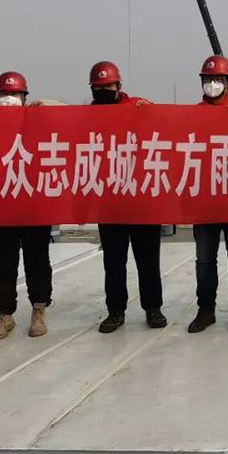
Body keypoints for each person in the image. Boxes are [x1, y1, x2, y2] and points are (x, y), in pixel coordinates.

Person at [89, 61, 166, 333]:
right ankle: (116, 311)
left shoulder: (136, 107)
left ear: (118, 86)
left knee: (148, 259)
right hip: (110, 202)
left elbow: (166, 125)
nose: (103, 90)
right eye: (98, 87)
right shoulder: (86, 117)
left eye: (108, 86)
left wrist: (150, 112)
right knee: (114, 261)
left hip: (141, 199)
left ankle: (153, 308)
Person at [0, 72, 53, 340]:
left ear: (25, 98)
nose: (9, 100)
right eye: (4, 95)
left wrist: (43, 110)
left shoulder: (37, 122)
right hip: (1, 208)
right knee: (3, 264)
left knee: (38, 261)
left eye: (15, 95)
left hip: (34, 205)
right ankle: (4, 315)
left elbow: (70, 122)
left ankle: (39, 309)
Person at [188, 55, 228, 334]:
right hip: (204, 201)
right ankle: (206, 310)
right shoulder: (192, 115)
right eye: (208, 80)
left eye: (217, 80)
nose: (212, 84)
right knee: (204, 259)